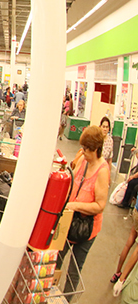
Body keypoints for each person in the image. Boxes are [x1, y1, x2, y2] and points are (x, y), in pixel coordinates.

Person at [62, 126, 110, 294]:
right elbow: (72, 181)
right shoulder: (83, 160)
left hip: (87, 228)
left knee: (74, 270)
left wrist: (75, 205)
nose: (83, 152)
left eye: (86, 149)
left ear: (96, 149)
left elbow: (100, 206)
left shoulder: (102, 171)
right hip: (70, 221)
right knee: (57, 257)